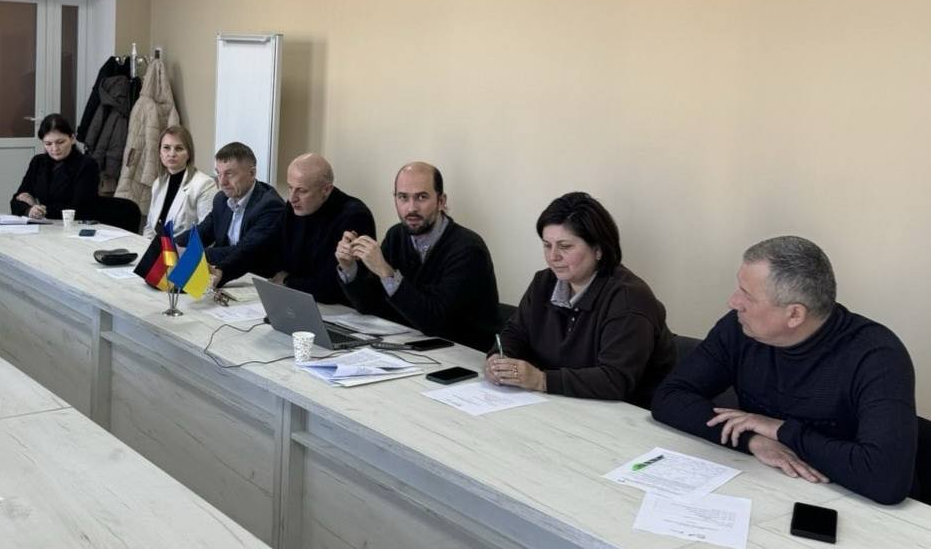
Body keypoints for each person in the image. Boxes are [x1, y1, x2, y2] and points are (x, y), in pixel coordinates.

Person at [652, 236, 918, 505]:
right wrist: (752, 438)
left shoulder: (876, 356)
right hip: (761, 485)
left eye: (747, 295)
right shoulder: (739, 329)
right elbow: (669, 396)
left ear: (794, 315)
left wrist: (779, 430)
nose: (733, 302)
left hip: (840, 502)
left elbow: (887, 480)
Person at [486, 192, 676, 408]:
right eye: (547, 245)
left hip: (625, 415)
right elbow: (515, 333)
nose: (553, 257)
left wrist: (541, 380)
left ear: (598, 249)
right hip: (559, 403)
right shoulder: (544, 282)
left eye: (565, 246)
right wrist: (498, 358)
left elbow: (614, 380)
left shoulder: (629, 299)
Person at [337, 162, 499, 350]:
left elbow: (435, 321)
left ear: (441, 201)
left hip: (464, 353)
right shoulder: (396, 235)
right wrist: (349, 268)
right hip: (414, 344)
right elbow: (370, 306)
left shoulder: (468, 249)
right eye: (403, 197)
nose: (411, 208)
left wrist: (386, 273)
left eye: (421, 197)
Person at [268, 153, 374, 305]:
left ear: (326, 190)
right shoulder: (294, 207)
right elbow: (271, 249)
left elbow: (332, 287)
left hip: (339, 309)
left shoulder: (355, 216)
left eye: (302, 190)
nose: (292, 198)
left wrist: (288, 281)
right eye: (290, 187)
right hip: (298, 299)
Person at [192, 142, 286, 287]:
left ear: (252, 173)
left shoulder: (270, 205)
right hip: (226, 275)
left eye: (229, 174)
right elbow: (202, 231)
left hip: (257, 282)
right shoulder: (222, 199)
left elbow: (246, 250)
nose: (222, 182)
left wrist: (194, 255)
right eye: (218, 173)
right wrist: (173, 246)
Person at [11, 113, 100, 221]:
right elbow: (17, 200)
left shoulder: (87, 164)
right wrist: (29, 210)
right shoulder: (38, 162)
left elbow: (79, 209)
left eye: (60, 142)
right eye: (48, 144)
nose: (55, 148)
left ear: (72, 139)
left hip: (73, 226)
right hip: (43, 226)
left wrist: (38, 207)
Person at [141, 125, 217, 241]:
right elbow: (150, 227)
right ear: (160, 152)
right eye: (166, 148)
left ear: (189, 154)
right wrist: (144, 247)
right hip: (155, 245)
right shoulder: (158, 183)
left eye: (179, 148)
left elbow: (207, 233)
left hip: (183, 248)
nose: (171, 154)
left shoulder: (204, 184)